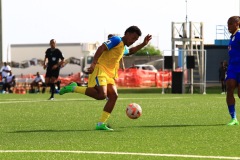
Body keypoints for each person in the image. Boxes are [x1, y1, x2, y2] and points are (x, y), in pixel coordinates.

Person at [60, 26, 152, 131]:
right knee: (101, 95)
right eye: (133, 38)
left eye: (136, 40)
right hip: (100, 69)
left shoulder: (123, 47)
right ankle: (73, 88)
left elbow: (130, 51)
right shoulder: (116, 40)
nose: (133, 41)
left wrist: (144, 44)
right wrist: (94, 63)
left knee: (113, 96)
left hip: (110, 74)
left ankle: (101, 123)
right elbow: (101, 48)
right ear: (127, 33)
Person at [225, 16, 240, 126]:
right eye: (227, 24)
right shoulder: (232, 37)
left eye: (230, 24)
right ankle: (233, 118)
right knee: (229, 87)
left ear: (237, 23)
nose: (228, 26)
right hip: (232, 68)